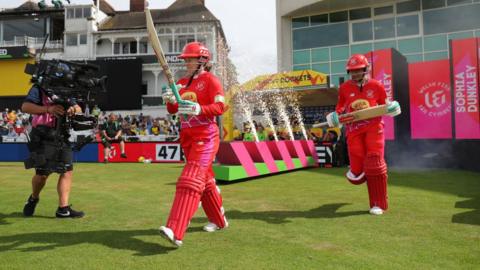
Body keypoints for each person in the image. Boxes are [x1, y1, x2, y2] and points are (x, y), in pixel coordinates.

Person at [160, 42, 228, 247]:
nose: (187, 62)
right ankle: (219, 220)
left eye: (190, 59)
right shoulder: (181, 82)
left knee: (190, 180)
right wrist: (169, 100)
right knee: (205, 182)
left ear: (202, 60)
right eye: (186, 59)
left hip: (206, 137)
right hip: (187, 138)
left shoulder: (211, 81)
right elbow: (173, 110)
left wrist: (200, 109)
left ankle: (175, 230)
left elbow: (220, 106)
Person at [326, 54, 400, 216]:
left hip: (374, 127)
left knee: (375, 162)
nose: (355, 74)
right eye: (352, 71)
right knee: (357, 169)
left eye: (359, 70)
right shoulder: (345, 88)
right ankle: (362, 173)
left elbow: (385, 104)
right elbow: (340, 107)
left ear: (366, 69)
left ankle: (377, 203)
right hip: (353, 129)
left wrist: (392, 107)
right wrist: (335, 115)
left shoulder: (377, 85)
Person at [21, 86, 85, 218]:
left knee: (67, 170)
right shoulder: (39, 88)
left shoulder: (65, 89)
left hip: (62, 134)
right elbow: (25, 107)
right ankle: (34, 198)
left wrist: (73, 109)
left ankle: (63, 209)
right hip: (43, 134)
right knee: (42, 174)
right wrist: (48, 109)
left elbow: (78, 108)